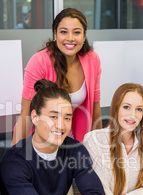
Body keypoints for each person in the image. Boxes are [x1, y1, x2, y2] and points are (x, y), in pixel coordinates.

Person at [0, 79, 134, 195]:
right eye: (53, 117)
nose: (61, 125)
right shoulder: (14, 161)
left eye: (67, 118)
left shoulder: (74, 149)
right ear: (35, 117)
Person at [12, 8, 102, 144]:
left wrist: (98, 148)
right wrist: (14, 155)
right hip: (42, 142)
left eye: (76, 32)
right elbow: (25, 113)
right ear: (55, 34)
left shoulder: (92, 60)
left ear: (84, 35)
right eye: (63, 32)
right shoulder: (39, 62)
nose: (70, 38)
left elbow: (95, 109)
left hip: (74, 141)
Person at [83, 83, 143, 195]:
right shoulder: (94, 140)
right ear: (116, 108)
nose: (132, 115)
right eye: (127, 107)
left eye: (139, 109)